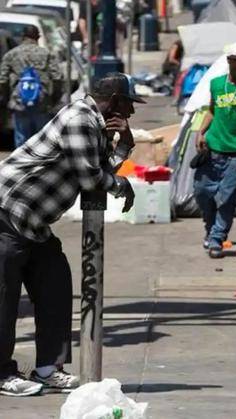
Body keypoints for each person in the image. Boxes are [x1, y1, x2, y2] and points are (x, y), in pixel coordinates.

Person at [0, 72, 141, 397]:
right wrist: (122, 186)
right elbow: (91, 178)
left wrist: (125, 143)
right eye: (129, 104)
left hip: (33, 223)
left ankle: (49, 368)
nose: (131, 112)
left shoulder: (94, 124)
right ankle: (2, 374)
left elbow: (101, 169)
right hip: (7, 213)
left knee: (56, 286)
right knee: (5, 299)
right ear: (115, 101)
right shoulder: (80, 119)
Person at [194, 43, 236, 259]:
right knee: (202, 192)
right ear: (229, 61)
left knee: (228, 198)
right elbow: (212, 111)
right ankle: (210, 229)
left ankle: (217, 238)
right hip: (213, 148)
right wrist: (201, 132)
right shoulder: (216, 84)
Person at [0, 25, 62, 149]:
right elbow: (57, 77)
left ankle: (22, 160)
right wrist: (54, 98)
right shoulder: (47, 54)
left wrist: (6, 99)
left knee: (22, 140)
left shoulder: (11, 54)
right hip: (42, 101)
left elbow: (2, 80)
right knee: (42, 141)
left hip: (19, 102)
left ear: (22, 37)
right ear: (38, 37)